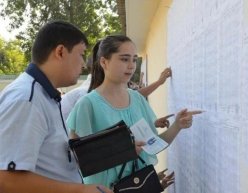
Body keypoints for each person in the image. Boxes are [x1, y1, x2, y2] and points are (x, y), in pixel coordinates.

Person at [66, 35, 202, 188]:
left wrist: (177, 125)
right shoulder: (87, 104)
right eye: (124, 59)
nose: (131, 66)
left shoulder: (137, 100)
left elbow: (153, 144)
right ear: (104, 62)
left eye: (134, 60)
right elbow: (77, 160)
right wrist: (123, 151)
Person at [0, 21, 112, 193]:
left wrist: (118, 149)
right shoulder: (27, 100)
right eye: (81, 55)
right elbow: (6, 179)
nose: (83, 64)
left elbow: (53, 157)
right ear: (60, 52)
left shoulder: (44, 95)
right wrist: (80, 190)